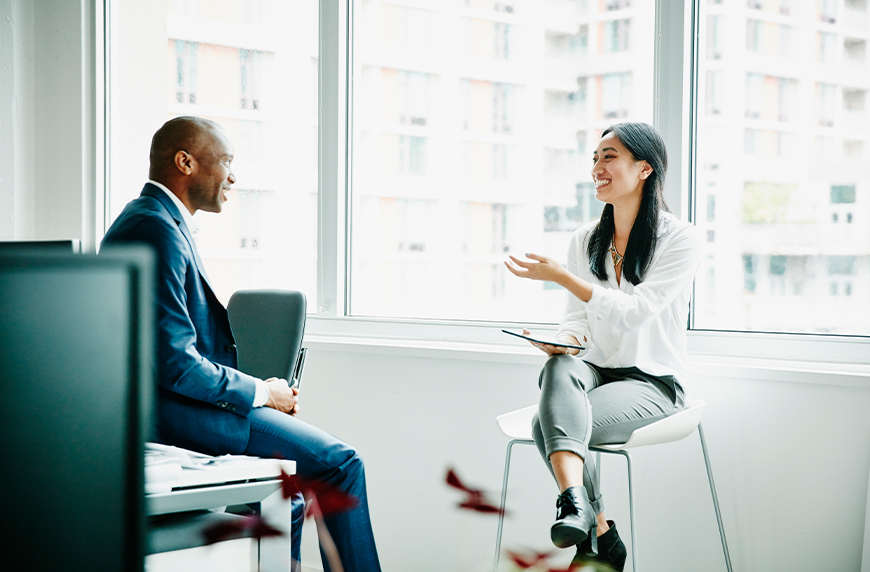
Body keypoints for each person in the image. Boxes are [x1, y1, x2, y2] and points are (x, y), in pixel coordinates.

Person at [102, 116, 381, 572]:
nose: (233, 177)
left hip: (165, 405)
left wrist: (261, 390)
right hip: (174, 414)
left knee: (287, 500)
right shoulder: (155, 230)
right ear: (185, 161)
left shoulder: (150, 220)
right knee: (340, 464)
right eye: (226, 162)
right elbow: (176, 364)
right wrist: (261, 392)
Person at [505, 122, 701, 571]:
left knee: (547, 426)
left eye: (608, 156)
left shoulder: (679, 239)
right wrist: (562, 343)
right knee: (558, 371)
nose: (597, 167)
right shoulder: (584, 240)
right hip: (594, 372)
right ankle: (585, 514)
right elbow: (578, 320)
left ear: (645, 168)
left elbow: (637, 312)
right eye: (594, 158)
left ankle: (593, 530)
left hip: (652, 382)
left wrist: (563, 277)